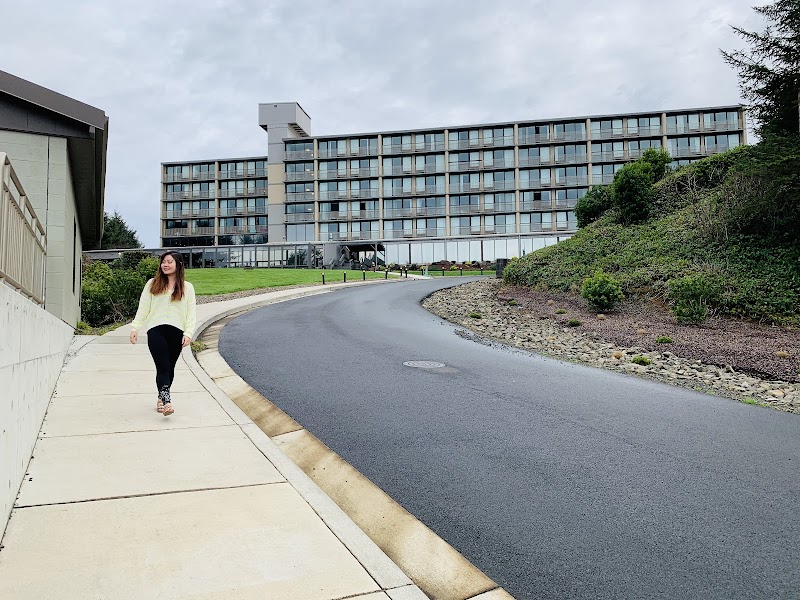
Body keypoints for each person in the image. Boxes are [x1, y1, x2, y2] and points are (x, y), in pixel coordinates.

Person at [129, 251, 197, 416]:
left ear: (178, 264)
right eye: (163, 262)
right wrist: (135, 327)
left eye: (169, 262)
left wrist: (188, 333)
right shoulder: (152, 284)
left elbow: (191, 312)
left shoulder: (187, 287)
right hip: (156, 330)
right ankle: (167, 401)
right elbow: (143, 307)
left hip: (177, 332)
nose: (165, 265)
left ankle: (161, 397)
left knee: (170, 367)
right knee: (162, 366)